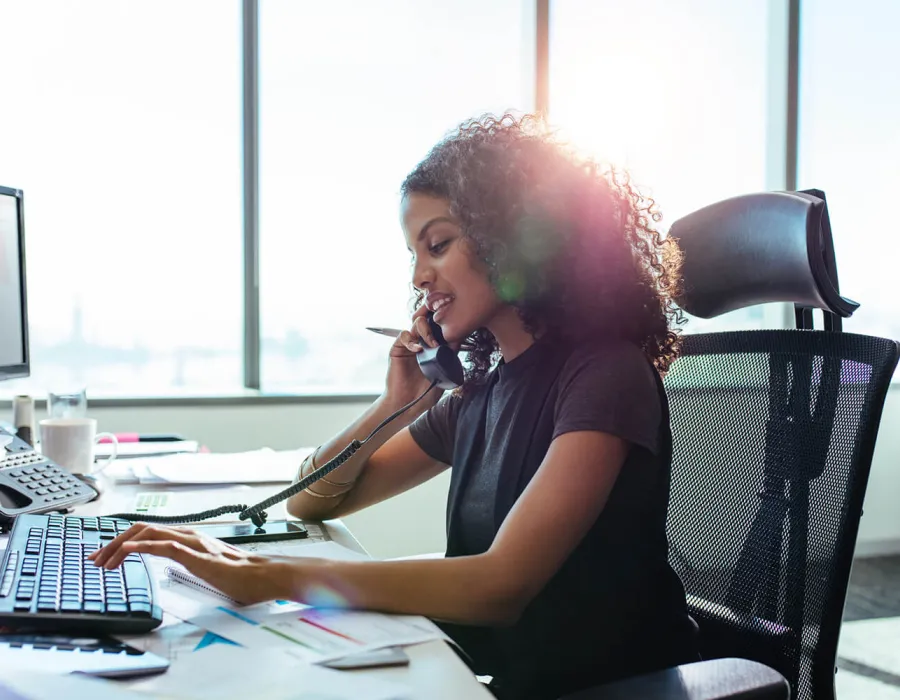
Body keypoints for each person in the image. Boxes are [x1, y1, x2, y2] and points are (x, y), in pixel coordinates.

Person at [90, 114, 699, 699]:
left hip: (597, 688)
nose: (419, 277)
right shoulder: (480, 392)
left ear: (513, 239)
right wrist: (395, 404)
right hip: (499, 677)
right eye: (415, 253)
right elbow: (315, 499)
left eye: (437, 245)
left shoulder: (605, 374)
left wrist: (266, 575)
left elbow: (500, 587)